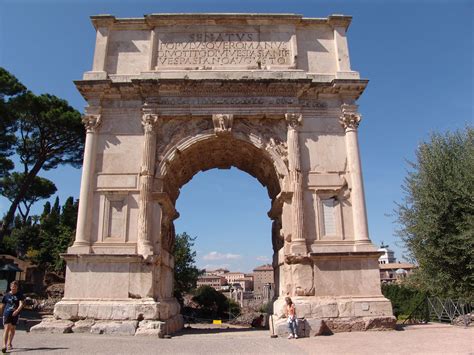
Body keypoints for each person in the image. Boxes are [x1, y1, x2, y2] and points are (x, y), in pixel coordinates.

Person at [1, 281, 25, 353]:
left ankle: (9, 343)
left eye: (15, 287)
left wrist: (17, 311)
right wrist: (1, 313)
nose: (13, 288)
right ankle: (4, 345)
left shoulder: (20, 295)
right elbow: (2, 305)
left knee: (12, 329)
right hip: (7, 313)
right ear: (10, 287)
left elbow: (21, 304)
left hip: (16, 314)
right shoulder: (6, 295)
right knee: (7, 328)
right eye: (12, 287)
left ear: (17, 287)